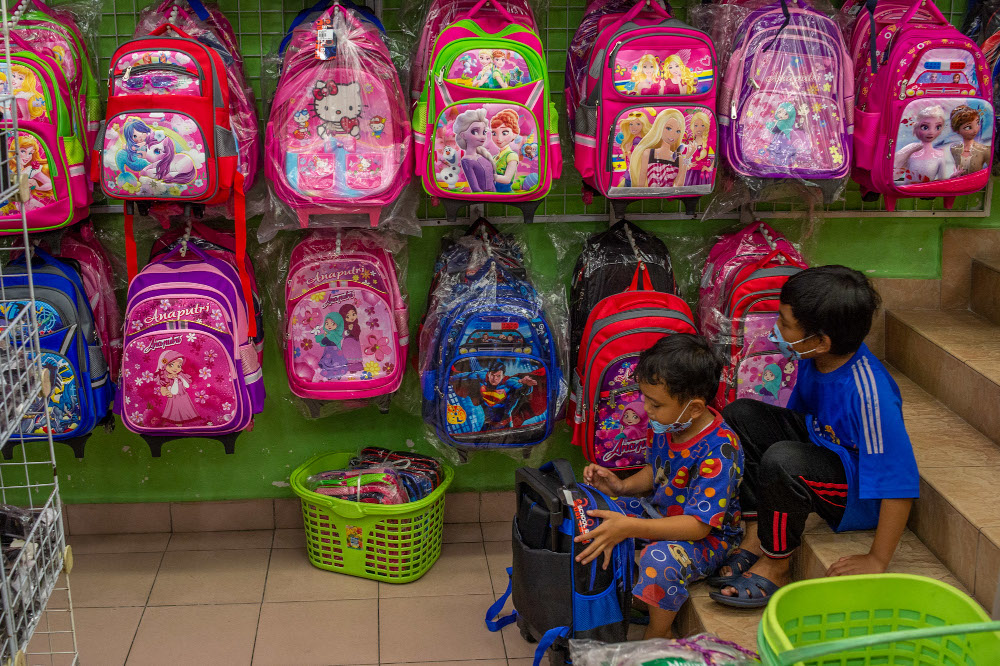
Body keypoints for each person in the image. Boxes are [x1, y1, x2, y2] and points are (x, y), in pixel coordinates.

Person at [711, 266, 919, 608]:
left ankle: (777, 563)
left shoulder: (871, 395)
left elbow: (899, 483)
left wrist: (877, 559)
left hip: (857, 493)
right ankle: (755, 533)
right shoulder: (815, 358)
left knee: (783, 461)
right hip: (822, 444)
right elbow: (797, 419)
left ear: (821, 341)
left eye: (785, 322)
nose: (776, 328)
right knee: (741, 414)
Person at [578, 334, 744, 639]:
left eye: (655, 403)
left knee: (659, 559)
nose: (646, 409)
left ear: (693, 408)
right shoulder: (669, 424)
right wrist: (621, 486)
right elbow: (658, 471)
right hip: (660, 513)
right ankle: (611, 593)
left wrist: (630, 527)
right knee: (594, 506)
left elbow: (698, 527)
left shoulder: (721, 449)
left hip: (709, 539)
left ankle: (659, 632)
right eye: (645, 398)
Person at [949, 105, 990, 176]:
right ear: (957, 130)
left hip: (978, 185)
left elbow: (990, 173)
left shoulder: (984, 150)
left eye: (977, 123)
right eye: (968, 127)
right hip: (959, 185)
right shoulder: (954, 149)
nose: (975, 130)